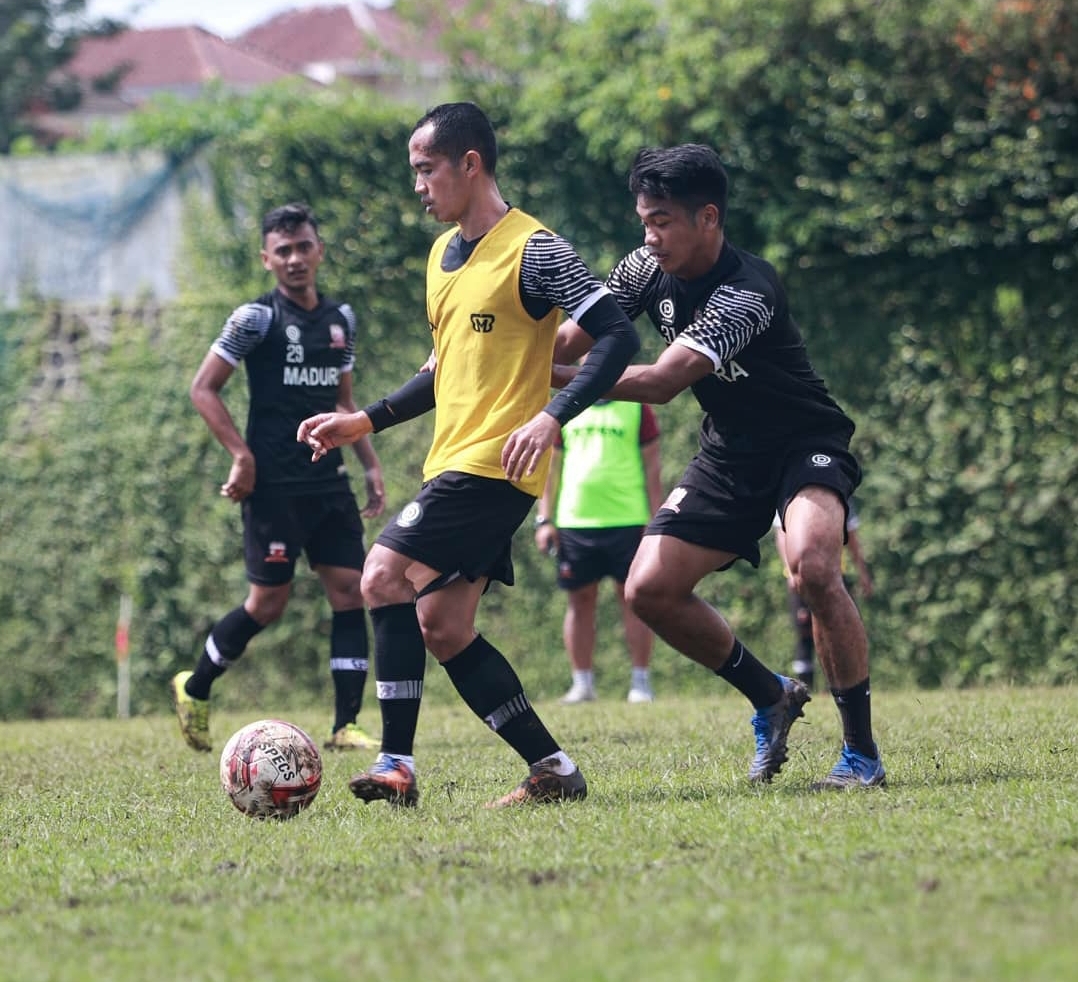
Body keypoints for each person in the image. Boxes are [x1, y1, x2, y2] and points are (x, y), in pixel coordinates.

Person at [296, 102, 640, 808]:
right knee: (444, 628)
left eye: (426, 170)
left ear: (469, 164)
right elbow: (440, 372)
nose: (418, 185)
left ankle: (397, 763)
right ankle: (555, 771)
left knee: (381, 575)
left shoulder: (535, 249)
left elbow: (617, 338)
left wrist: (551, 417)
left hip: (494, 465)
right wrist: (362, 418)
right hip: (451, 461)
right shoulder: (441, 256)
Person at [554, 144, 886, 790]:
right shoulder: (643, 268)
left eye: (664, 222)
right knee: (646, 588)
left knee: (816, 566)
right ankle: (770, 696)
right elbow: (573, 339)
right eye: (644, 221)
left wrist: (536, 377)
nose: (650, 237)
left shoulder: (747, 292)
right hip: (730, 450)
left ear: (709, 217)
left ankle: (861, 755)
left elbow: (659, 382)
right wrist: (504, 350)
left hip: (802, 441)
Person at [170, 202, 386, 754]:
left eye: (303, 247)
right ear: (266, 258)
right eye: (283, 250)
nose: (295, 259)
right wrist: (241, 456)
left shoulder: (343, 319)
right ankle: (195, 688)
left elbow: (344, 401)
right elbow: (203, 388)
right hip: (274, 487)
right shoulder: (255, 320)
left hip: (328, 481)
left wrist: (370, 464)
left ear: (319, 250)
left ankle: (345, 724)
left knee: (348, 592)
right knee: (268, 604)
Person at [533, 399, 663, 704]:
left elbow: (652, 465)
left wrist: (656, 520)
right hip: (574, 521)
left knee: (634, 600)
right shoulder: (567, 404)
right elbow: (551, 469)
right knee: (579, 601)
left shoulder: (636, 406)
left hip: (630, 519)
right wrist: (545, 519)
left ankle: (640, 683)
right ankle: (582, 684)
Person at [774, 501, 873, 690]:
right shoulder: (786, 493)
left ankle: (840, 687)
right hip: (800, 577)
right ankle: (805, 688)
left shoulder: (838, 493)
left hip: (834, 576)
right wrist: (789, 569)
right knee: (804, 633)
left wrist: (862, 572)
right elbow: (781, 534)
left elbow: (852, 538)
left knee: (838, 631)